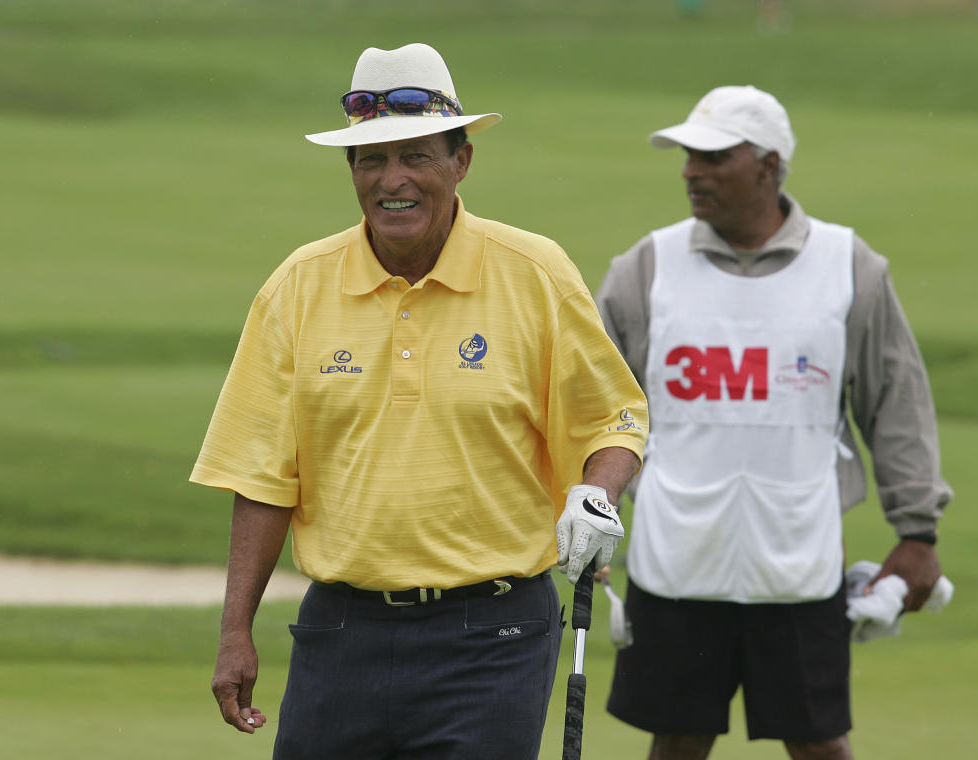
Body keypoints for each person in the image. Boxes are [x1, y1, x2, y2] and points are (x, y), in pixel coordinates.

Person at [190, 42, 648, 760]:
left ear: (460, 162)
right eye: (371, 160)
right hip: (341, 631)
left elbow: (613, 418)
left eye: (416, 156)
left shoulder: (535, 273)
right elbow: (261, 476)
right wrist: (233, 632)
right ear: (350, 171)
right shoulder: (298, 286)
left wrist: (598, 493)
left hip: (492, 634)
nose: (392, 180)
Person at [595, 85, 952, 760]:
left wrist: (917, 529)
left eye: (712, 156)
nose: (690, 172)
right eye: (686, 156)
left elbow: (895, 401)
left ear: (768, 163)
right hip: (676, 559)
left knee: (817, 741)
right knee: (677, 740)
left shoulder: (850, 268)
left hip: (798, 562)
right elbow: (591, 402)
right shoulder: (646, 267)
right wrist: (587, 506)